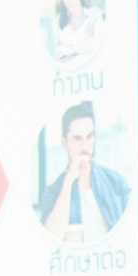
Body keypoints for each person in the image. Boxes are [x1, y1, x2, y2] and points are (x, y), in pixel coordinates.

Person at [37, 102, 132, 242]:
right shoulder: (52, 193)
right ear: (64, 142)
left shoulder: (116, 183)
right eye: (77, 139)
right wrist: (69, 181)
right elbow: (51, 237)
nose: (85, 145)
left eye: (90, 137)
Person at [51, 0, 104, 65]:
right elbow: (54, 49)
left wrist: (73, 50)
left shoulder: (94, 14)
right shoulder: (58, 20)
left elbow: (99, 40)